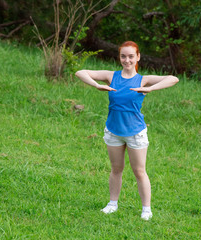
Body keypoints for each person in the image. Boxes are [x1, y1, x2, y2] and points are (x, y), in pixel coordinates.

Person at [75, 41, 179, 220]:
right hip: (114, 131)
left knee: (139, 171)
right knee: (116, 169)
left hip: (135, 133)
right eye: (123, 56)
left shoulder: (143, 79)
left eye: (131, 56)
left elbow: (173, 78)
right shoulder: (111, 76)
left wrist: (149, 88)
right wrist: (97, 85)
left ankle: (146, 209)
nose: (127, 60)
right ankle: (112, 204)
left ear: (138, 57)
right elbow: (80, 72)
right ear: (120, 57)